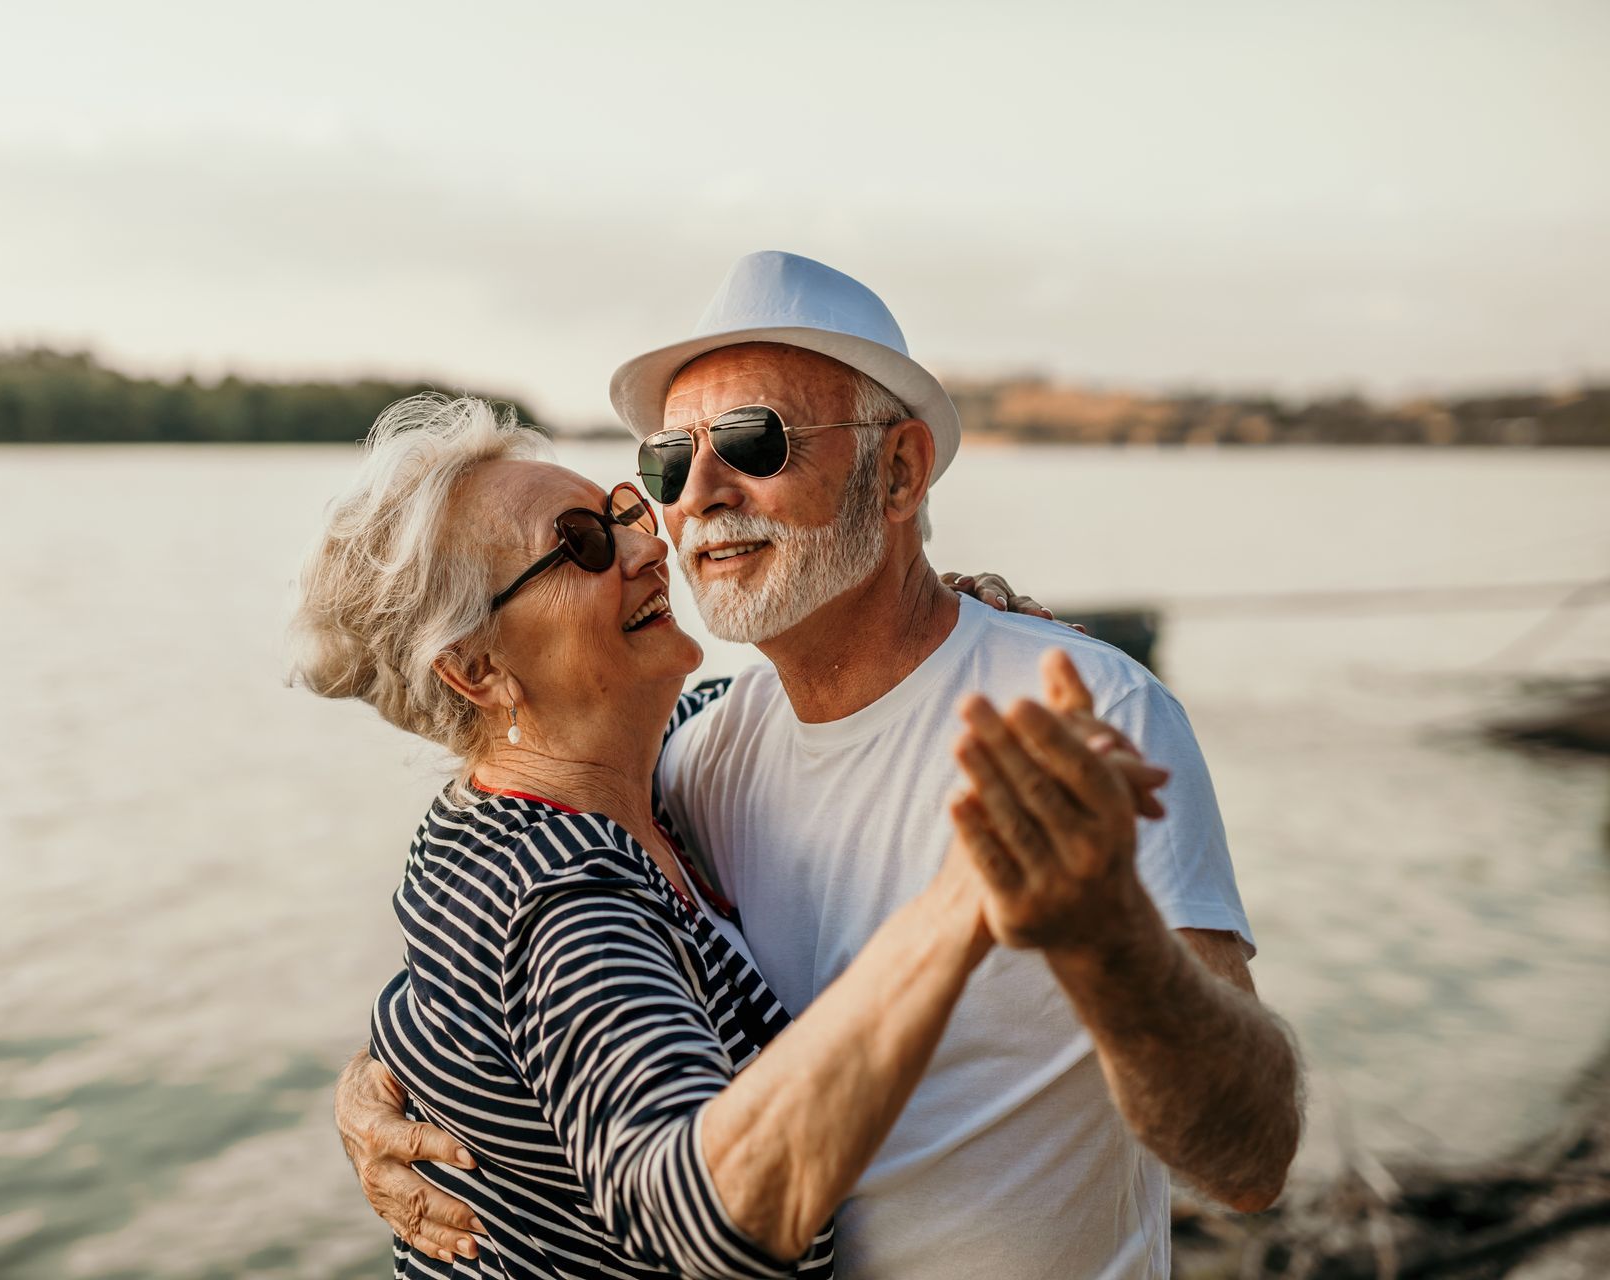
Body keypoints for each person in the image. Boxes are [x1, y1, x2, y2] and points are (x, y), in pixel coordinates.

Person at [337, 251, 1303, 1279]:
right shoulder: (695, 759)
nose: (694, 499)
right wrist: (384, 1083)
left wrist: (1112, 943)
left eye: (754, 442)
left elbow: (1251, 1159)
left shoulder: (1085, 720)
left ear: (898, 472)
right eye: (667, 462)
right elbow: (515, 931)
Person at [289, 394, 1147, 1276]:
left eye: (624, 509)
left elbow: (817, 709)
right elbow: (705, 1220)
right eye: (582, 543)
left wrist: (939, 621)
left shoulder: (616, 780)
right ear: (475, 670)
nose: (650, 544)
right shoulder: (563, 896)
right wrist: (960, 903)